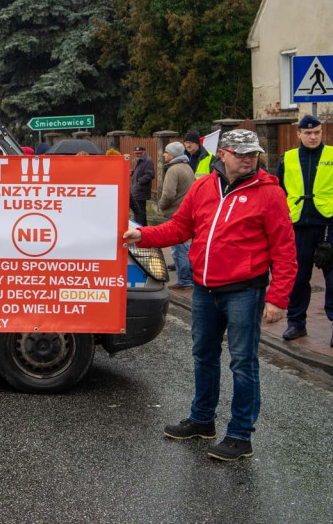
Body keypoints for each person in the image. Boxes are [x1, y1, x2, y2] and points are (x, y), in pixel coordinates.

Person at [123, 129, 295, 461]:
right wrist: (140, 235)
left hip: (245, 290)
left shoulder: (269, 193)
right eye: (241, 153)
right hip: (205, 288)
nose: (248, 159)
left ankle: (240, 435)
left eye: (253, 154)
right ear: (224, 154)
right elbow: (178, 228)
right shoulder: (204, 186)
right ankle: (203, 420)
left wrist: (278, 298)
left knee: (243, 363)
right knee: (203, 355)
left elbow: (285, 250)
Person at [275, 114, 333, 348]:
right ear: (298, 134)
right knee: (297, 277)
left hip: (329, 227)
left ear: (321, 132)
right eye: (307, 133)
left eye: (316, 132)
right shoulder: (288, 159)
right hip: (298, 227)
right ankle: (296, 323)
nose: (313, 136)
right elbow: (277, 192)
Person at [157, 142, 195, 289]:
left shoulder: (173, 170)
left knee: (179, 248)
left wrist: (161, 205)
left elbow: (168, 194)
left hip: (176, 213)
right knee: (185, 247)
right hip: (186, 211)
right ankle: (189, 276)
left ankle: (185, 280)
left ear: (172, 154)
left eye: (166, 152)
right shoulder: (187, 167)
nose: (164, 155)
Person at [129, 145, 155, 226]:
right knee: (139, 214)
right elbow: (143, 173)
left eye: (139, 153)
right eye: (136, 153)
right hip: (138, 192)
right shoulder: (142, 160)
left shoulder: (147, 161)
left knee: (140, 214)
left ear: (144, 152)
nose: (138, 155)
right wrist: (133, 173)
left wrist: (139, 181)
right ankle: (141, 229)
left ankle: (142, 230)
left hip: (141, 192)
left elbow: (150, 175)